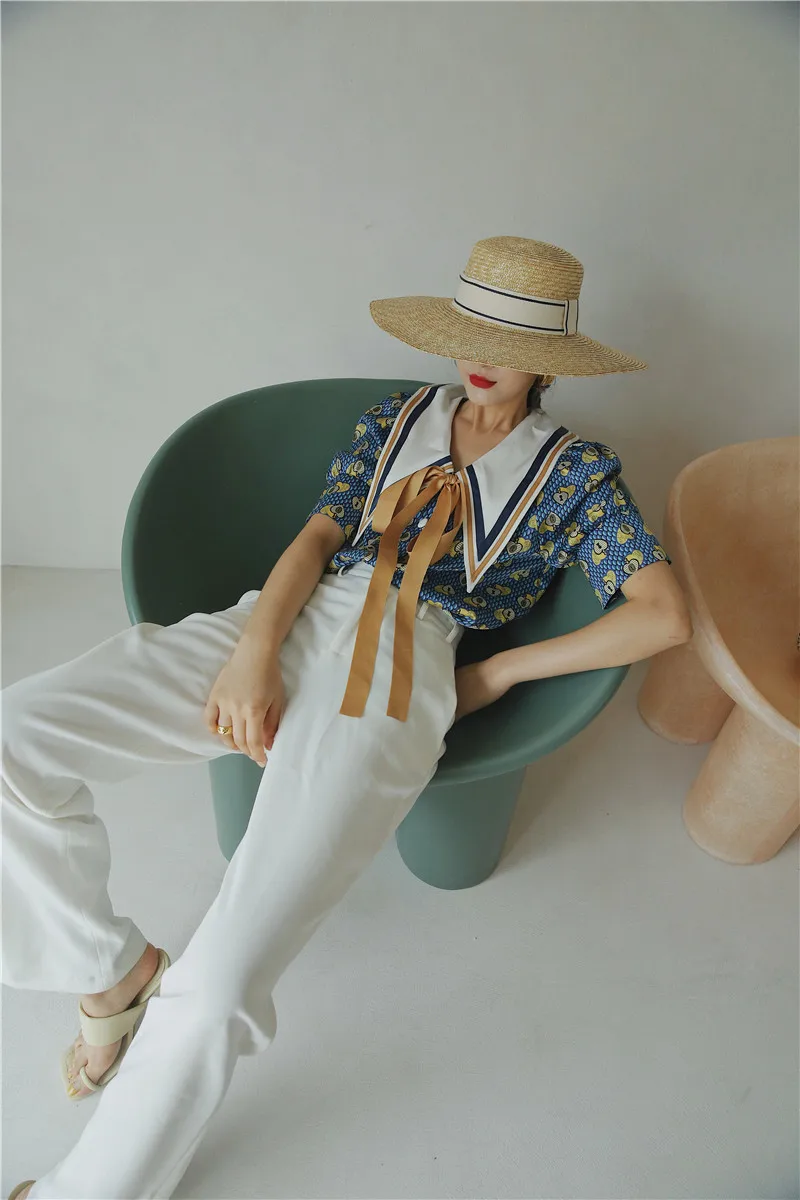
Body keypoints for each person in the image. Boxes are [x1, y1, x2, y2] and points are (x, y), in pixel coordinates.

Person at [3, 236, 691, 1200]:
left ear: (551, 362)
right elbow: (321, 535)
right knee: (12, 741)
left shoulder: (577, 473)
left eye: (508, 343)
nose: (480, 357)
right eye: (470, 332)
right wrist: (253, 652)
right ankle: (110, 972)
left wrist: (498, 674)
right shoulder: (398, 418)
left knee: (226, 975)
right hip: (289, 616)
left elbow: (664, 616)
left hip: (408, 672)